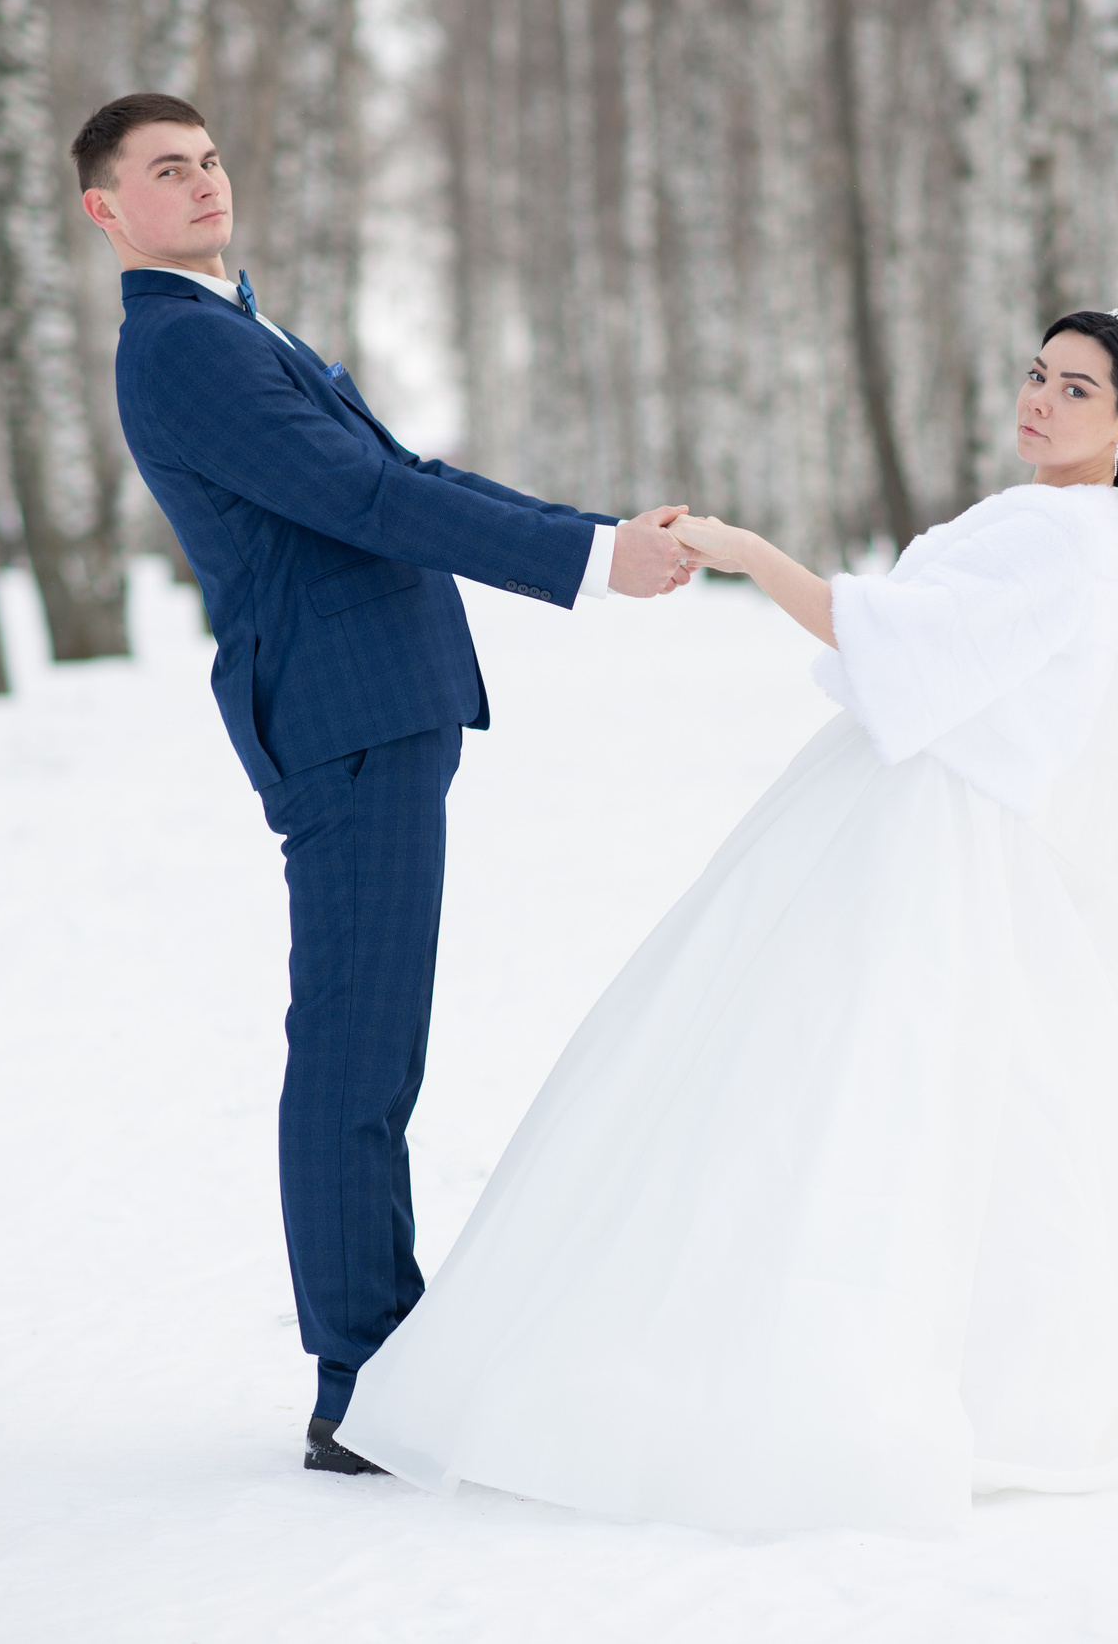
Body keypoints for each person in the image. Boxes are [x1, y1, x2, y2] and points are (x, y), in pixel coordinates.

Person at [335, 309, 1118, 1530]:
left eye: (1076, 390)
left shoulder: (1065, 533)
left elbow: (902, 644)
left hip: (926, 819)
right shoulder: (1080, 528)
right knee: (890, 1078)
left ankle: (803, 1371)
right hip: (921, 805)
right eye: (1034, 373)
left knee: (842, 1074)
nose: (1039, 400)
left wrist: (751, 552)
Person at [74, 92, 698, 1473]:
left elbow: (393, 471)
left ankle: (378, 1358)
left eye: (210, 157)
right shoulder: (183, 349)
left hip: (375, 708)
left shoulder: (229, 322)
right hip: (345, 716)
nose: (202, 182)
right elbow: (365, 504)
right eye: (163, 172)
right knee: (357, 1049)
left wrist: (589, 534)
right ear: (105, 211)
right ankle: (359, 1381)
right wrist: (592, 564)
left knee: (374, 1041)